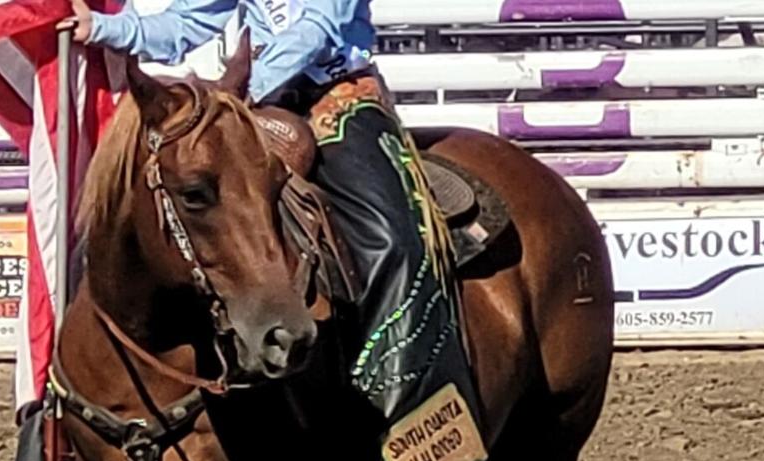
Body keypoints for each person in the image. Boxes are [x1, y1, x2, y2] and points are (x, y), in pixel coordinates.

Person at [59, 0, 483, 435]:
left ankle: (409, 412)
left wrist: (241, 88)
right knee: (119, 233)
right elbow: (192, 16)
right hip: (249, 105)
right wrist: (105, 28)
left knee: (390, 241)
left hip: (336, 100)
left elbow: (320, 25)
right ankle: (68, 413)